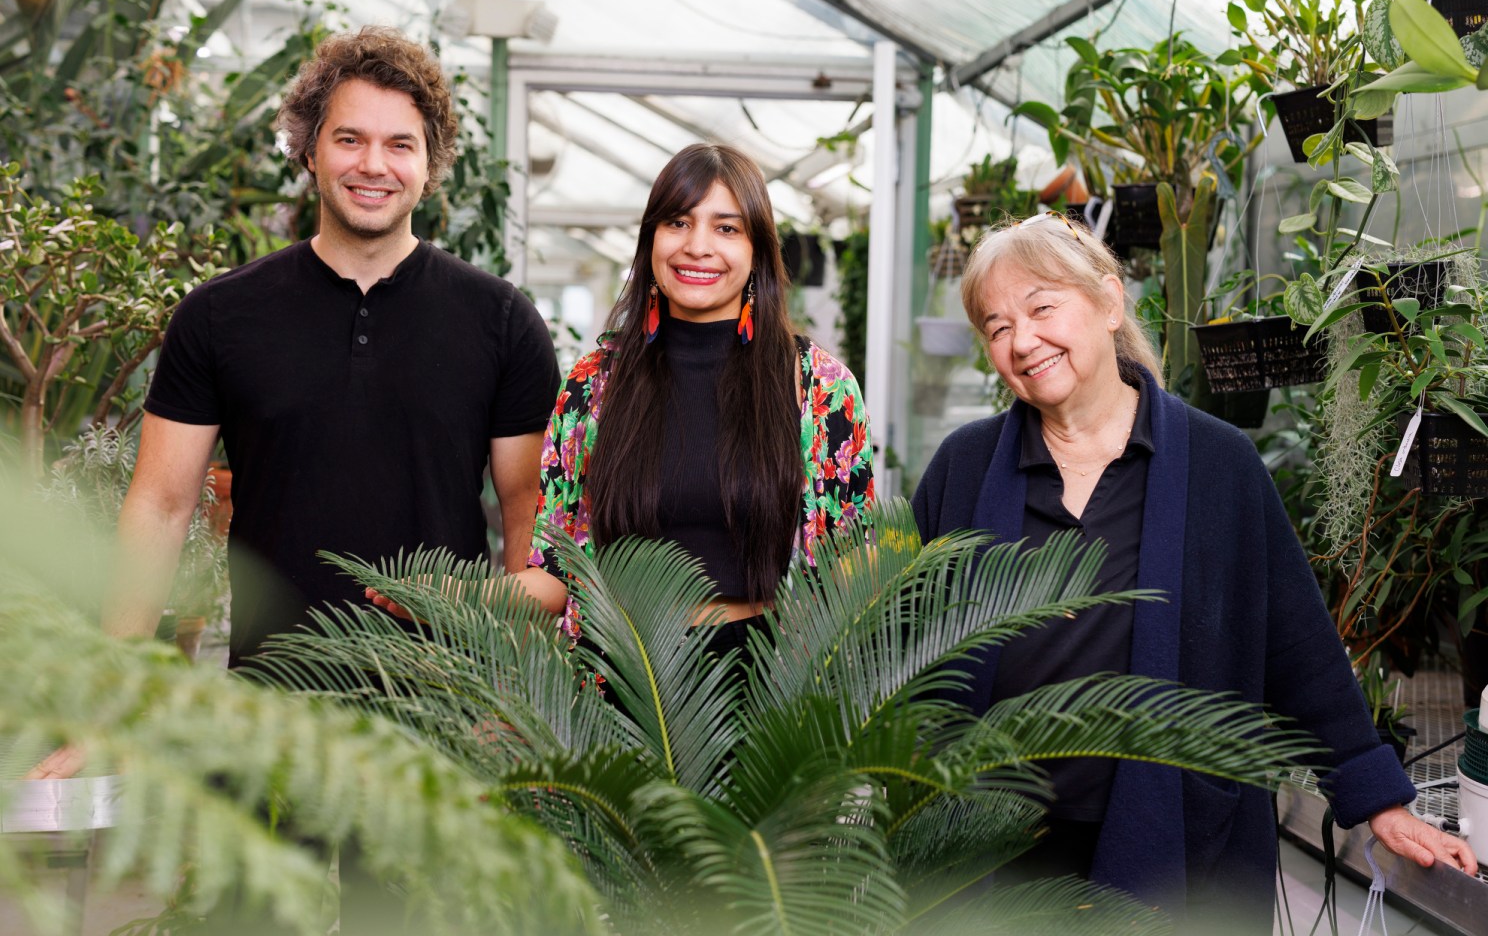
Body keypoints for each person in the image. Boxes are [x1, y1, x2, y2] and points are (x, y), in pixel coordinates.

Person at [910, 212, 1476, 925]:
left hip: (1175, 842)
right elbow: (906, 649)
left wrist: (1376, 796)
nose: (1022, 341)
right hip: (990, 854)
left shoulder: (1217, 464)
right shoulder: (963, 468)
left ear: (1109, 303)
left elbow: (1294, 643)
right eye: (996, 327)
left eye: (1042, 308)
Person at [28, 27, 558, 782]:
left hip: (444, 719)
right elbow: (160, 506)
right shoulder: (220, 317)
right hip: (264, 710)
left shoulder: (500, 322)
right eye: (349, 139)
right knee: (250, 905)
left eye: (400, 145)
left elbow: (525, 514)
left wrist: (517, 701)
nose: (373, 165)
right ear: (309, 150)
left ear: (430, 165)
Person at [499, 143, 874, 649]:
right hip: (623, 679)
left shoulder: (820, 388)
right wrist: (463, 596)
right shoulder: (593, 386)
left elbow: (855, 567)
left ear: (757, 250)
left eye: (726, 228)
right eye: (677, 222)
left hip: (773, 685)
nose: (697, 246)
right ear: (650, 239)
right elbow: (554, 571)